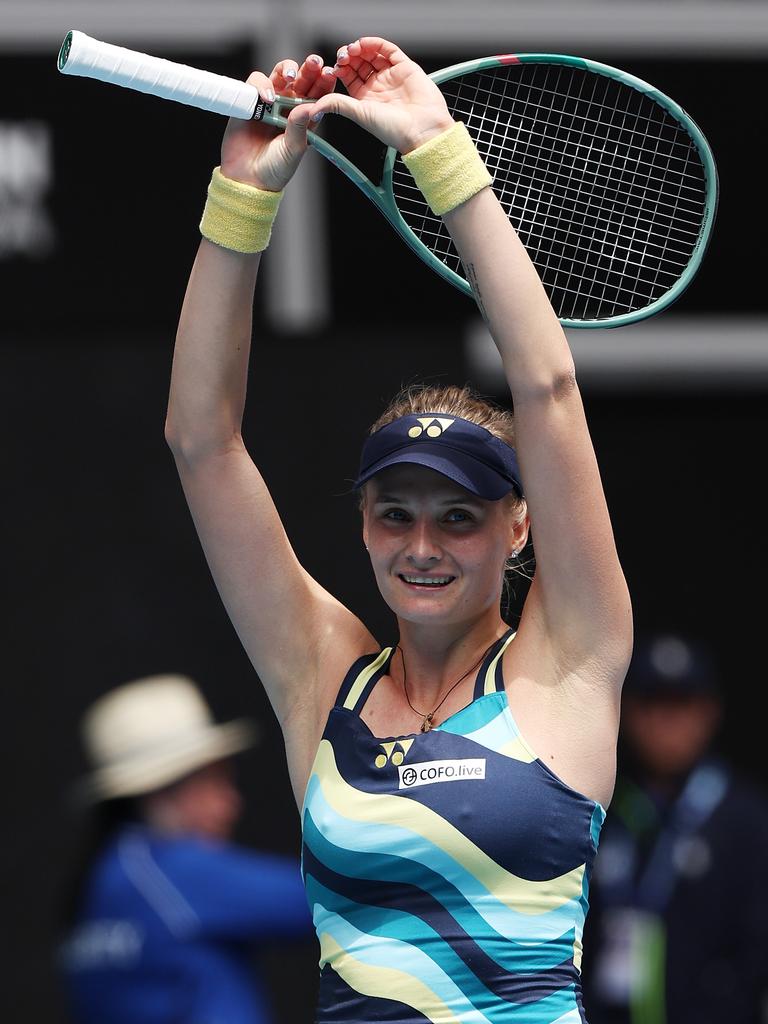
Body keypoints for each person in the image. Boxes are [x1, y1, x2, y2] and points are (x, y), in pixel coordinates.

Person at [164, 36, 633, 1023]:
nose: (422, 546)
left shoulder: (569, 663)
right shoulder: (321, 678)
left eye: (459, 518)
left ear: (518, 528)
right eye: (396, 515)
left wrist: (441, 154)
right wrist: (241, 198)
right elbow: (202, 441)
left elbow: (546, 388)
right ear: (367, 523)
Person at [58, 673, 314, 1024]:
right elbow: (331, 898)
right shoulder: (173, 873)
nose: (231, 802)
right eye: (214, 780)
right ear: (160, 790)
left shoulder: (96, 885)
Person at [581, 634, 768, 1024]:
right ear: (626, 712)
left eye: (682, 705)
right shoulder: (597, 806)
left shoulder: (746, 818)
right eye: (652, 704)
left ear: (710, 712)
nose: (667, 722)